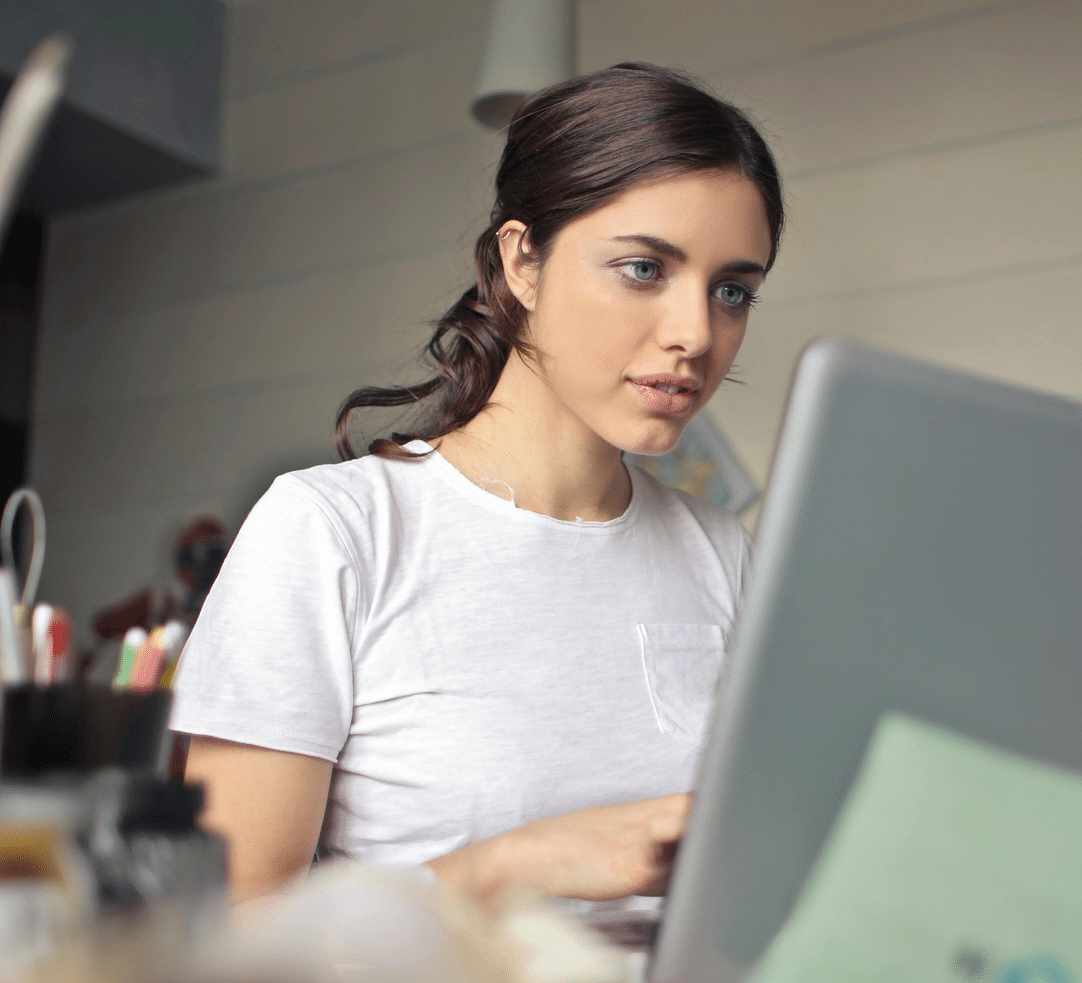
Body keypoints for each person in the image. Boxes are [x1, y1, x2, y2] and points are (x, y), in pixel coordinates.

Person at [174, 62, 784, 904]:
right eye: (643, 268)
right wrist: (505, 867)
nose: (695, 333)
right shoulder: (332, 531)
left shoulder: (725, 556)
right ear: (522, 261)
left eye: (731, 291)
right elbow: (224, 934)